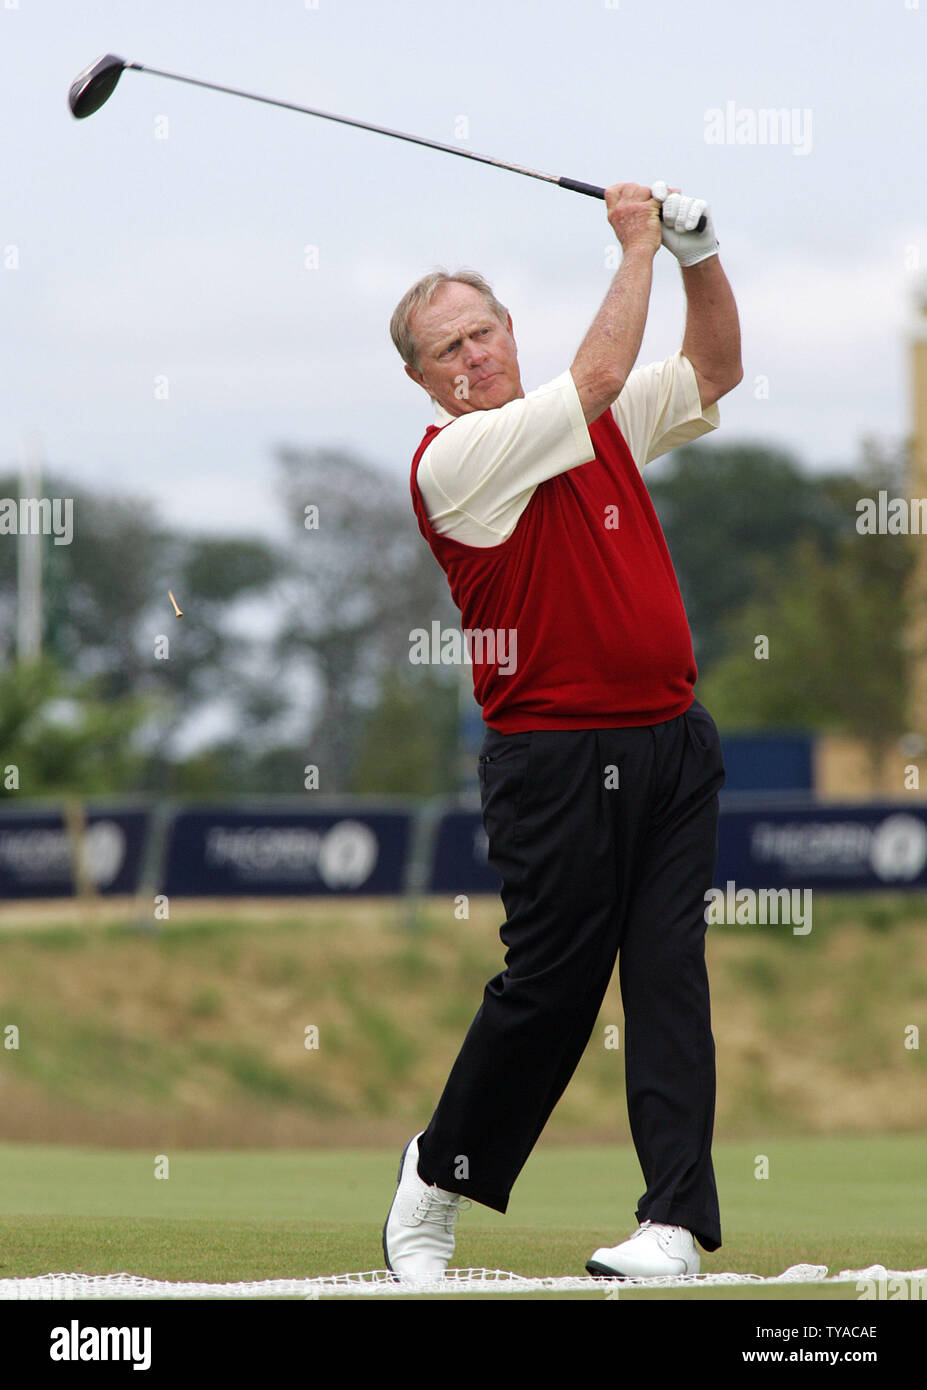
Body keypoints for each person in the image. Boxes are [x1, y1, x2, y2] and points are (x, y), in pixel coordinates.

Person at [383, 180, 743, 1283]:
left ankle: (672, 1221)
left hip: (674, 741)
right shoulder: (456, 462)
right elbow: (593, 376)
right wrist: (637, 242)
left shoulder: (598, 426)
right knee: (550, 988)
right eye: (447, 349)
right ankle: (435, 1176)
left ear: (508, 331)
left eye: (483, 332)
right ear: (422, 380)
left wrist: (699, 252)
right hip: (554, 757)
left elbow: (715, 369)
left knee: (670, 975)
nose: (473, 357)